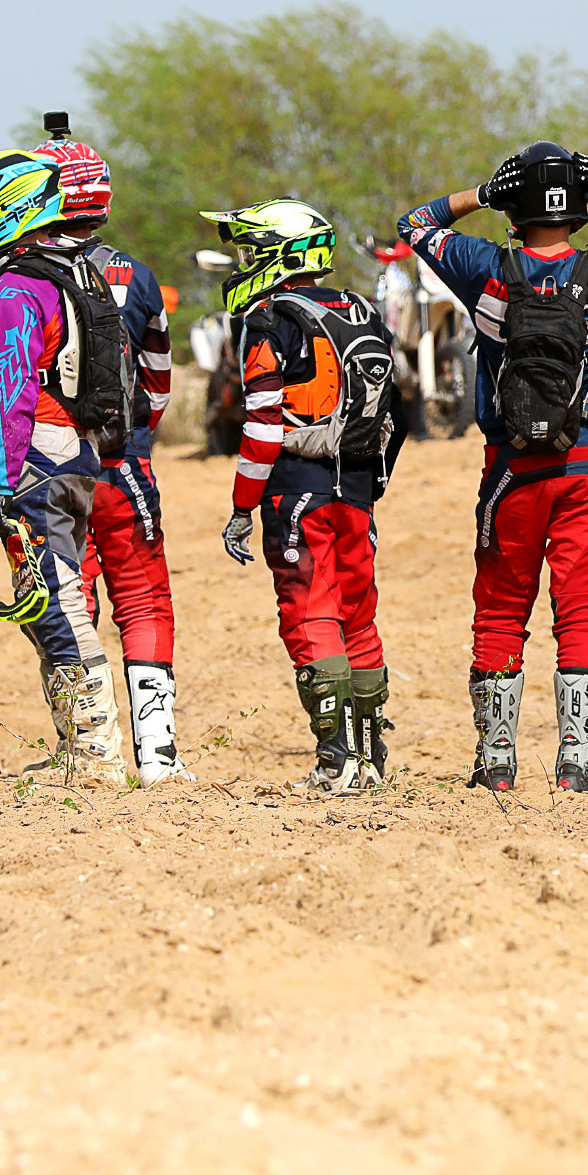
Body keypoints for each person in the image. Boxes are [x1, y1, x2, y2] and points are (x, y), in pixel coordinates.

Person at [400, 142, 588, 791]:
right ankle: (576, 765)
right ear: (578, 209)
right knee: (582, 608)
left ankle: (496, 762)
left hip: (511, 466)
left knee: (501, 607)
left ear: (513, 208)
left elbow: (414, 225)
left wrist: (478, 194)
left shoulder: (484, 266)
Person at [0, 148, 131, 781]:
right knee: (49, 593)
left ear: (12, 207)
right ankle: (79, 744)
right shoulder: (77, 272)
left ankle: (94, 751)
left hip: (38, 453)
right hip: (80, 453)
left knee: (51, 596)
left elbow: (10, 389)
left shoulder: (19, 287)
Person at [204, 199, 406, 793]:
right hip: (359, 485)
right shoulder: (365, 310)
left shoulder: (270, 320)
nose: (244, 263)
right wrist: (375, 484)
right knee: (359, 614)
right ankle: (371, 758)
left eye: (250, 250)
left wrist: (243, 506)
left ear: (276, 253)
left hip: (296, 485)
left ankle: (335, 759)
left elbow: (263, 425)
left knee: (311, 611)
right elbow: (395, 410)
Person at [34, 119, 187, 785]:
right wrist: (138, 436)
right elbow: (159, 379)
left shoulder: (25, 275)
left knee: (69, 597)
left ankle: (85, 747)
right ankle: (159, 756)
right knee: (146, 598)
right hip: (127, 463)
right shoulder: (137, 273)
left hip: (56, 463)